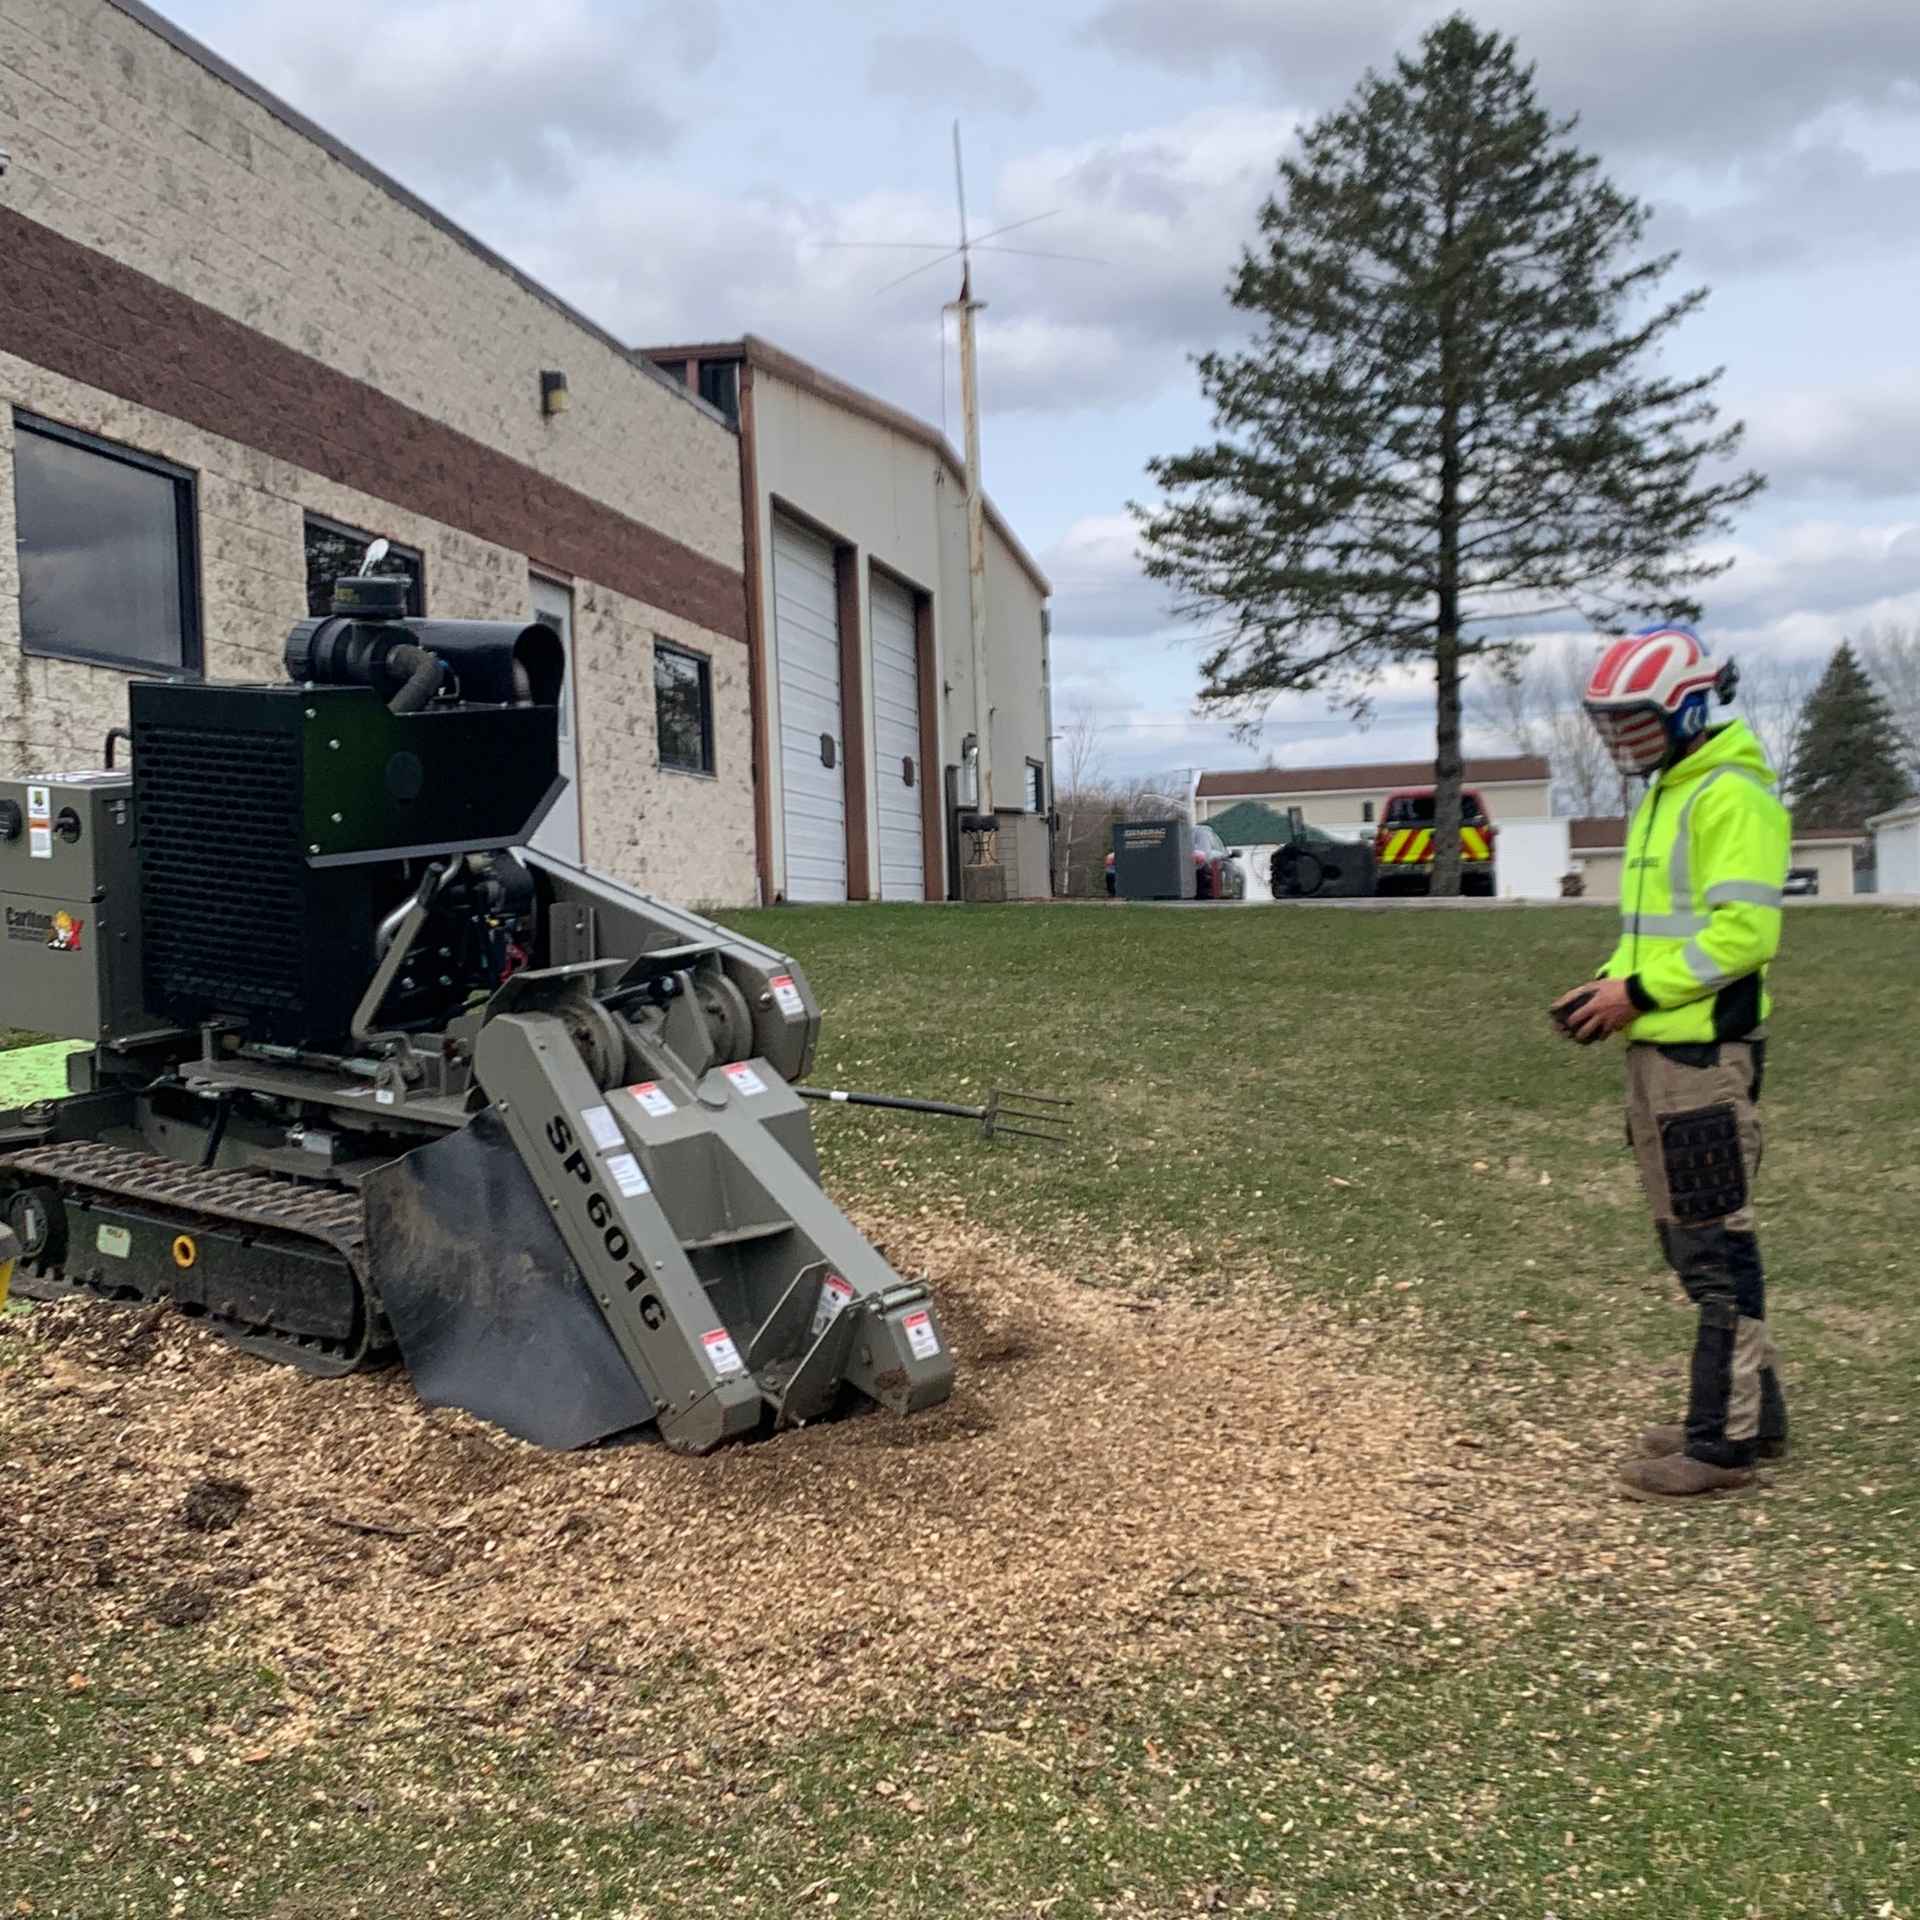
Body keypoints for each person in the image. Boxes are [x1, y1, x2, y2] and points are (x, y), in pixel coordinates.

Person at [1551, 625, 1792, 1502]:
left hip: (1701, 1051)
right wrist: (1612, 984)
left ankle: (1721, 1446)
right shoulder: (1670, 791)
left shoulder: (1730, 795)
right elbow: (1661, 929)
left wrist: (1638, 994)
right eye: (1611, 725)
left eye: (1637, 724)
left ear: (1688, 709)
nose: (1622, 741)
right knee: (1694, 1237)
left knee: (1714, 1243)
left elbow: (1742, 934)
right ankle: (1752, 1417)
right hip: (1661, 1043)